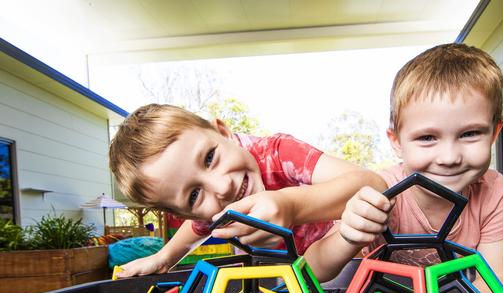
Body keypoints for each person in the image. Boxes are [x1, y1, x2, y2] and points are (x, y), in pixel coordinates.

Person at [304, 43, 503, 293]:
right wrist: (347, 236)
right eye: (427, 137)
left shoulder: (494, 190)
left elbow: (496, 281)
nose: (449, 156)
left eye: (470, 134)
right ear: (396, 141)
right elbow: (314, 271)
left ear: (494, 132)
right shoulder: (380, 190)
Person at [109, 103, 385, 278]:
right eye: (194, 195)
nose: (222, 187)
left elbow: (374, 185)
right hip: (299, 274)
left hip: (355, 251)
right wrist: (163, 258)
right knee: (295, 273)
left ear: (224, 132)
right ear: (184, 212)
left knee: (309, 267)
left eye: (209, 158)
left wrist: (291, 205)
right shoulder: (207, 212)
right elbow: (196, 228)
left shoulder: (278, 154)